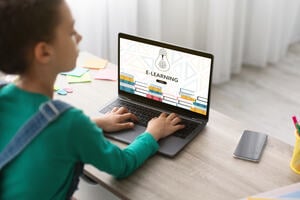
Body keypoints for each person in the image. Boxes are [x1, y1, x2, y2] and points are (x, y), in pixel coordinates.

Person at [0, 0, 185, 199]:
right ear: (44, 52)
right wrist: (152, 133)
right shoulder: (70, 123)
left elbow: (39, 131)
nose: (79, 37)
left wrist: (96, 123)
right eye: (71, 32)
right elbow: (121, 164)